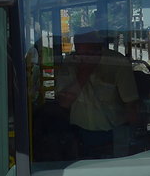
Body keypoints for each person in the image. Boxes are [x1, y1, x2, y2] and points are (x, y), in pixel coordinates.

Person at [55, 30, 139, 158]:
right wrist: (84, 72)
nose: (84, 58)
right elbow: (64, 102)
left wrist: (133, 135)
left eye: (89, 53)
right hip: (79, 131)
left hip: (111, 133)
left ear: (99, 48)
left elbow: (130, 103)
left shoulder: (117, 63)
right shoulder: (70, 63)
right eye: (80, 53)